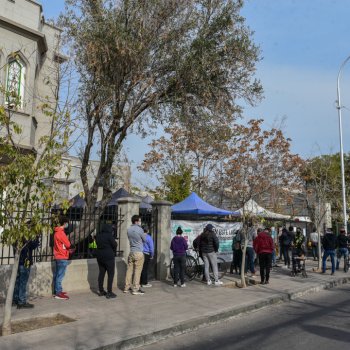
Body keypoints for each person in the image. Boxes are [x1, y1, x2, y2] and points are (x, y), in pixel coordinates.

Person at [13, 232, 40, 309]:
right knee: (22, 283)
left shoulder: (17, 237)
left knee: (18, 282)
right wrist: (37, 238)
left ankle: (16, 299)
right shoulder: (26, 239)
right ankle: (21, 301)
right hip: (25, 263)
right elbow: (33, 246)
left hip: (19, 262)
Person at [124, 215, 147, 295]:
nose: (140, 222)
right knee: (137, 271)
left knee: (129, 270)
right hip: (139, 252)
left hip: (131, 252)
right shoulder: (140, 229)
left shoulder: (129, 229)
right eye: (139, 221)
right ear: (136, 221)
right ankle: (135, 288)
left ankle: (126, 287)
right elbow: (144, 239)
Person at [95, 223, 117, 299]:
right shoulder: (109, 235)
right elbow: (114, 244)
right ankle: (109, 292)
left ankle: (101, 291)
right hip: (108, 256)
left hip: (99, 256)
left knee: (101, 273)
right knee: (110, 274)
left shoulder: (98, 235)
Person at [53, 215, 72, 300]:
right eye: (66, 223)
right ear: (64, 223)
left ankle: (57, 290)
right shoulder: (61, 233)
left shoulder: (56, 232)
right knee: (60, 276)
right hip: (62, 256)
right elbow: (68, 244)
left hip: (58, 255)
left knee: (57, 275)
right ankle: (58, 293)